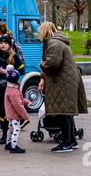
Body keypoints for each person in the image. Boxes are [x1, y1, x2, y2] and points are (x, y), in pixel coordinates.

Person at [38, 22, 88, 153]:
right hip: (67, 80)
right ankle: (72, 141)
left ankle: (66, 143)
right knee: (66, 113)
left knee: (63, 113)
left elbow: (53, 63)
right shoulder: (59, 41)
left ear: (45, 31)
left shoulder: (53, 43)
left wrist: (42, 64)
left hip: (62, 82)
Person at [0, 34, 25, 145]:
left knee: (8, 112)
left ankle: (9, 135)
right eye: (1, 43)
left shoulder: (14, 57)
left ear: (9, 45)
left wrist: (8, 72)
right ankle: (4, 134)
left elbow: (22, 71)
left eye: (5, 43)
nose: (3, 45)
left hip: (9, 89)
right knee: (0, 111)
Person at [4, 65, 30, 153]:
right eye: (18, 79)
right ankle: (14, 146)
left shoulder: (10, 88)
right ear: (15, 80)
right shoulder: (14, 91)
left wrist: (26, 102)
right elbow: (17, 105)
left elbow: (19, 100)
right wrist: (26, 116)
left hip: (10, 113)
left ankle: (8, 144)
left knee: (10, 128)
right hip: (14, 114)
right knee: (16, 129)